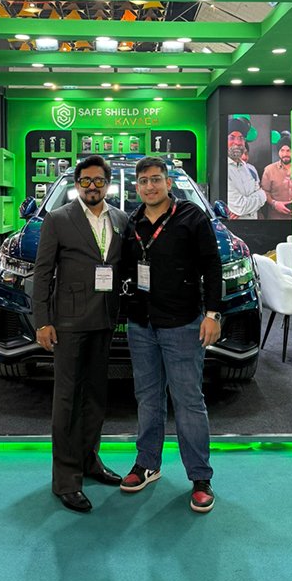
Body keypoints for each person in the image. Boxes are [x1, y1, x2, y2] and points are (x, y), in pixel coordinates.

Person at [120, 156, 223, 513]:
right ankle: (147, 464)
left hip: (182, 324)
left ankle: (200, 477)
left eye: (155, 179)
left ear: (168, 182)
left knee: (188, 401)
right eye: (143, 181)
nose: (149, 186)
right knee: (148, 398)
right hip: (141, 325)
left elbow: (212, 266)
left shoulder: (192, 216)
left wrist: (212, 314)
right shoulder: (132, 222)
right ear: (137, 187)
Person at [32, 155, 128, 514]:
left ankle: (90, 461)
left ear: (107, 184)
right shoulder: (58, 219)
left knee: (96, 397)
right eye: (86, 180)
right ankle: (66, 479)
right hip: (69, 323)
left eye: (99, 181)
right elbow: (43, 273)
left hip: (104, 319)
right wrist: (42, 321)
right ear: (77, 184)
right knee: (67, 401)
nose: (92, 186)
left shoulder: (120, 219)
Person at [227, 117, 266, 219]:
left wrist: (262, 195)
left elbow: (263, 194)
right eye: (232, 137)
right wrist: (261, 196)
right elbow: (240, 207)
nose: (237, 142)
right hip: (233, 227)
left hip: (253, 224)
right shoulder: (223, 170)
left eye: (241, 138)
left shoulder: (248, 168)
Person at [260, 133, 292, 220]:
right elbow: (264, 192)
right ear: (278, 152)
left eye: (288, 150)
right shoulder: (269, 170)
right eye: (282, 150)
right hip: (276, 218)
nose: (285, 154)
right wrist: (275, 204)